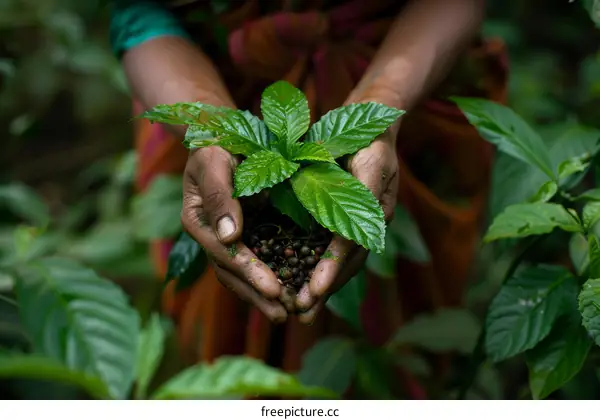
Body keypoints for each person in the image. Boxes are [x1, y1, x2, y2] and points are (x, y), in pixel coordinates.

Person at [111, 0, 508, 397]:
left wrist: (383, 100)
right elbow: (138, 14)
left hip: (413, 82)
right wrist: (212, 133)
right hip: (198, 82)